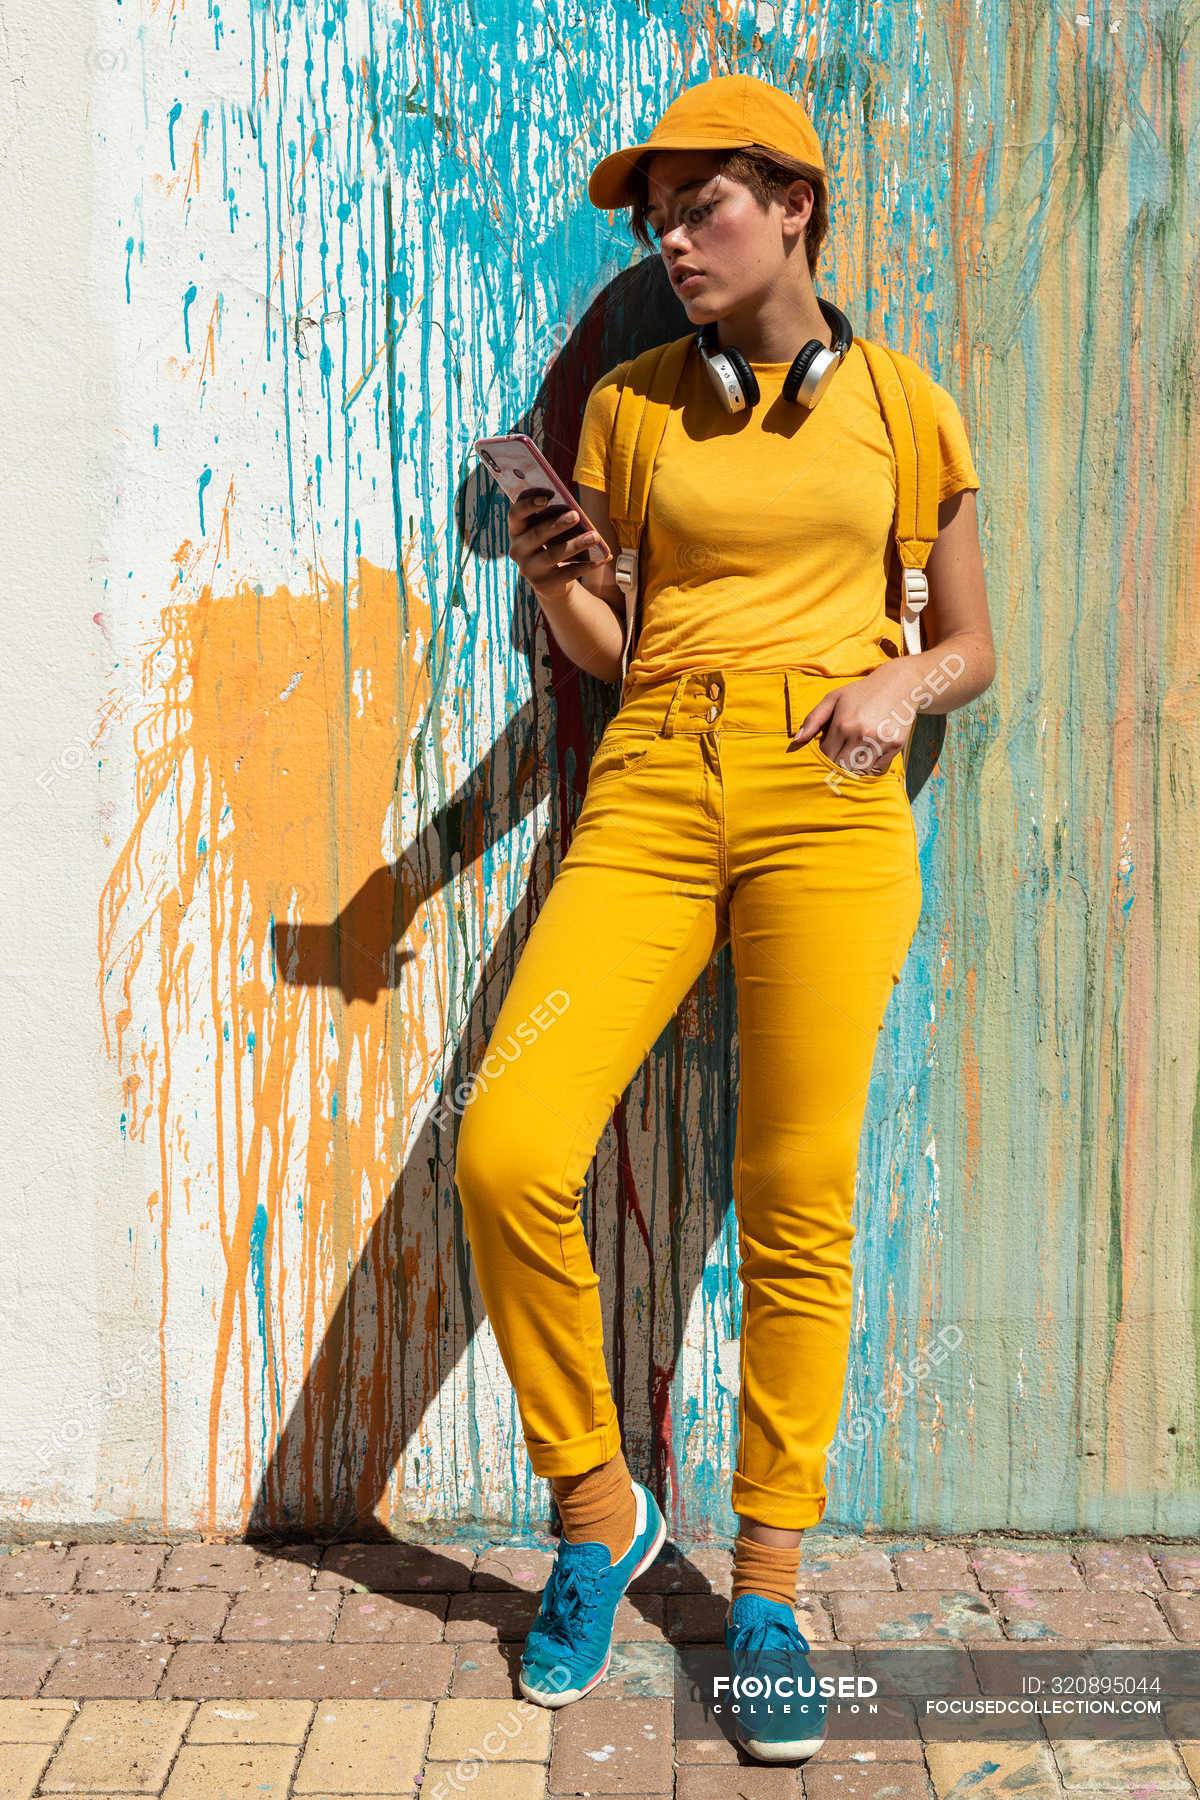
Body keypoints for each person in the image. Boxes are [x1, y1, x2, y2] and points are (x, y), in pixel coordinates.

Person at [454, 71, 993, 1762]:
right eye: (658, 219)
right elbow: (611, 647)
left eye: (707, 209)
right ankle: (595, 1509)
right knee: (508, 1148)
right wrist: (556, 567)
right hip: (655, 787)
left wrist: (905, 682)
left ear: (798, 208)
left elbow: (977, 643)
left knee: (794, 1196)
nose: (675, 241)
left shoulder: (903, 404)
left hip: (830, 799)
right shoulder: (626, 402)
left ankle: (762, 1581)